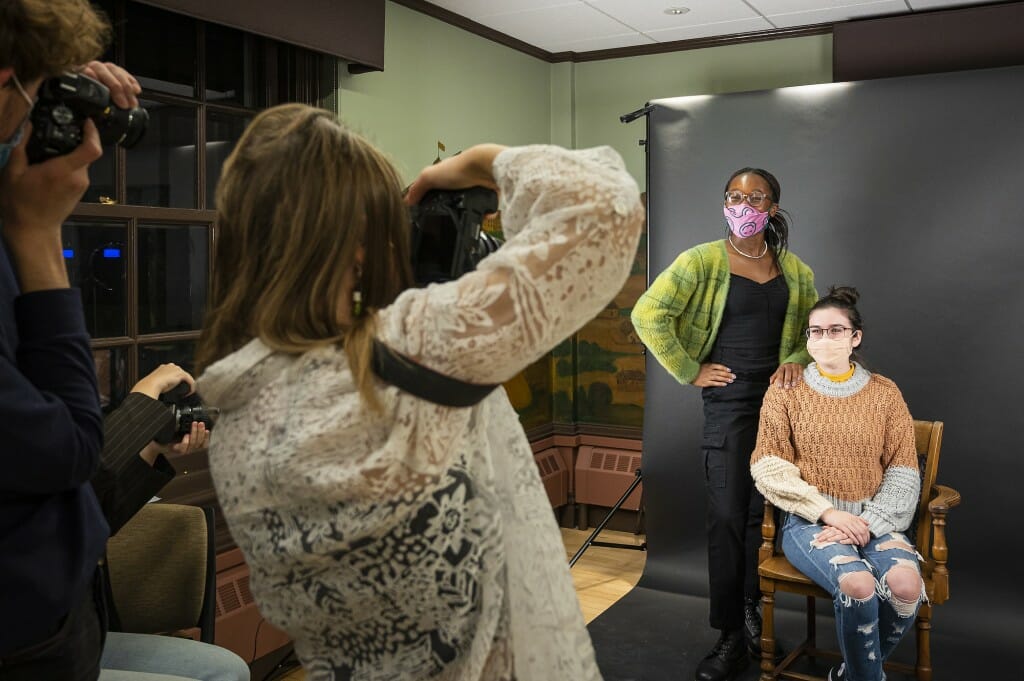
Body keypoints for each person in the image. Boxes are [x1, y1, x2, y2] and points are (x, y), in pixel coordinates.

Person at [194, 103, 645, 680]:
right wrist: (482, 161)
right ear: (359, 246)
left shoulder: (234, 405)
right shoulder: (407, 353)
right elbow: (607, 207)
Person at [630, 168, 817, 681]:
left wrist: (797, 357)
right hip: (729, 404)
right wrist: (690, 370)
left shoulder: (795, 271)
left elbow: (811, 331)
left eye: (755, 197)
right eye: (735, 196)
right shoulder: (701, 261)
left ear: (772, 209)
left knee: (764, 517)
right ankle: (730, 633)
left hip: (780, 408)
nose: (744, 204)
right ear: (725, 204)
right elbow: (648, 314)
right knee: (729, 516)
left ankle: (756, 611)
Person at [0, 3, 140, 678]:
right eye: (30, 92)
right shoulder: (18, 227)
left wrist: (53, 88)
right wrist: (36, 232)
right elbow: (73, 445)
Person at [750, 286, 924, 681]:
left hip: (875, 521)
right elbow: (768, 464)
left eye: (835, 330)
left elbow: (903, 469)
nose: (823, 339)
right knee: (859, 585)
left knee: (905, 585)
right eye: (815, 331)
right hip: (808, 523)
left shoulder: (884, 393)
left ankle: (852, 675)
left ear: (854, 337)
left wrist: (868, 524)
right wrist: (826, 512)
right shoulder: (785, 392)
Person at [89, 363, 250, 681]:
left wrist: (150, 447)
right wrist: (144, 397)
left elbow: (93, 517)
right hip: (26, 652)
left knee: (228, 671)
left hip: (74, 633)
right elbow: (86, 480)